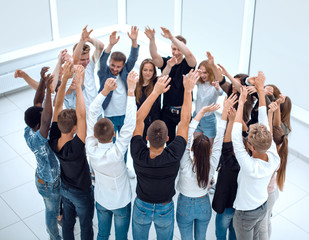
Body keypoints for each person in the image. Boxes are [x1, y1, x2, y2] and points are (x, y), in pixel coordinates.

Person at [130, 70, 199, 240]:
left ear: (146, 138)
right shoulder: (174, 153)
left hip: (141, 207)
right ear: (168, 138)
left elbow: (138, 120)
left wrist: (155, 93)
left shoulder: (137, 152)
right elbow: (184, 122)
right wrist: (188, 91)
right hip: (165, 208)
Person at [176, 94, 237, 240]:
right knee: (201, 237)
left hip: (185, 203)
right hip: (203, 204)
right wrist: (224, 113)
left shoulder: (184, 161)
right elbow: (219, 138)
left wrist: (201, 112)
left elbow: (187, 133)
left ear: (191, 149)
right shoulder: (213, 162)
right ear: (209, 150)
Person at [85, 72, 138, 240]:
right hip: (121, 202)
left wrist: (104, 91)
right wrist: (131, 92)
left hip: (101, 200)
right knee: (121, 237)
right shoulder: (117, 152)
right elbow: (129, 124)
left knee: (102, 234)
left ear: (94, 133)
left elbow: (92, 112)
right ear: (114, 135)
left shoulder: (91, 147)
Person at [231, 72, 280, 240]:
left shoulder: (250, 166)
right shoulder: (274, 156)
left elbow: (236, 137)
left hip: (245, 215)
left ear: (251, 146)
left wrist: (242, 102)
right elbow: (264, 122)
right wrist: (260, 89)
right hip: (262, 207)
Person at [48, 62, 94, 240]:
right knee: (85, 224)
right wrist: (79, 85)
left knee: (67, 221)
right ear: (74, 128)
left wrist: (66, 78)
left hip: (65, 188)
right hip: (81, 191)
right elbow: (82, 115)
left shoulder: (53, 139)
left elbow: (57, 105)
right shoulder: (76, 147)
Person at [24, 67, 61, 240]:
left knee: (54, 208)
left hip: (42, 176)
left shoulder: (29, 128)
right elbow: (46, 116)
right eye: (43, 122)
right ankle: (54, 237)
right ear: (39, 127)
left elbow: (37, 102)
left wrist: (42, 82)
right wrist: (49, 92)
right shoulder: (39, 138)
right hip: (48, 183)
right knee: (51, 212)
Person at [145, 26, 196, 144]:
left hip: (183, 111)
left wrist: (172, 37)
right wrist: (152, 40)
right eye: (174, 49)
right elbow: (154, 56)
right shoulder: (166, 62)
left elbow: (188, 54)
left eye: (179, 49)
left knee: (184, 142)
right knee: (167, 142)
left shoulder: (188, 63)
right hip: (167, 112)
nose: (176, 52)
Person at [259, 96, 288, 240]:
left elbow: (270, 132)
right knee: (267, 221)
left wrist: (271, 113)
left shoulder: (272, 157)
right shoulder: (281, 148)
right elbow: (276, 128)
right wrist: (274, 111)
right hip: (273, 191)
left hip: (268, 194)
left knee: (263, 226)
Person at [212, 107, 243, 240]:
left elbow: (225, 145)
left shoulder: (228, 163)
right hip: (239, 206)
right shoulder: (245, 163)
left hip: (225, 207)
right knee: (234, 233)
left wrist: (231, 122)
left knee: (220, 234)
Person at [70, 25, 104, 110]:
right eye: (82, 60)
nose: (85, 62)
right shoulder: (72, 68)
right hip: (83, 112)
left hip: (97, 110)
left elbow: (101, 47)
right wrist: (81, 40)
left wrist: (88, 39)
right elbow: (75, 60)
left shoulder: (90, 64)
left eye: (87, 58)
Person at [194, 52, 224, 144]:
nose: (202, 75)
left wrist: (217, 87)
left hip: (209, 120)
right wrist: (196, 74)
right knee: (196, 146)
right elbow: (187, 78)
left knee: (208, 148)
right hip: (197, 116)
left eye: (205, 72)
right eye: (201, 72)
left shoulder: (214, 85)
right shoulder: (199, 82)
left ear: (210, 72)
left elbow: (221, 93)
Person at [135, 58, 161, 140]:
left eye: (150, 70)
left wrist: (169, 65)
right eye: (145, 70)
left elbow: (165, 73)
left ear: (154, 72)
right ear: (141, 71)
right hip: (141, 122)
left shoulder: (157, 82)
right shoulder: (136, 84)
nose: (147, 73)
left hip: (155, 121)